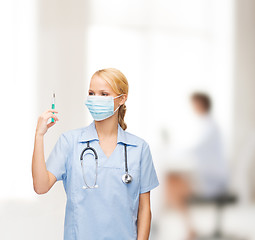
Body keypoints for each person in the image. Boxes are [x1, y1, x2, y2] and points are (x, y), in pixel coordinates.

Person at [31, 68, 160, 240]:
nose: (95, 98)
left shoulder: (139, 148)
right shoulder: (70, 142)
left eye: (104, 94)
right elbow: (41, 186)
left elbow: (144, 209)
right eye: (91, 93)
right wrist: (39, 135)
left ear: (122, 99)